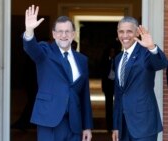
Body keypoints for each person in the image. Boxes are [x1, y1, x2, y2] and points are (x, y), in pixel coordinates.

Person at [22, 5, 93, 141]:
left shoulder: (82, 60)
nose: (64, 35)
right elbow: (32, 48)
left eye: (67, 31)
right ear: (54, 34)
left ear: (73, 34)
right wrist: (29, 31)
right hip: (49, 120)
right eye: (59, 32)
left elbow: (85, 95)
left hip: (75, 123)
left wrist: (87, 126)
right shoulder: (45, 51)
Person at [112, 16, 167, 141]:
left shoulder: (146, 52)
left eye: (129, 31)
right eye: (121, 31)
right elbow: (119, 94)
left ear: (137, 32)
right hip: (123, 125)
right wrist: (116, 126)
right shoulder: (118, 58)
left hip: (144, 124)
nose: (125, 35)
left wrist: (152, 47)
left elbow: (161, 64)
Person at [101, 47, 116, 132]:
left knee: (118, 105)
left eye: (113, 51)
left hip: (116, 85)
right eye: (111, 52)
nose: (112, 53)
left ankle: (116, 125)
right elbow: (103, 74)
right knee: (109, 106)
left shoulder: (118, 60)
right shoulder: (105, 61)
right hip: (108, 85)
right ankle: (109, 126)